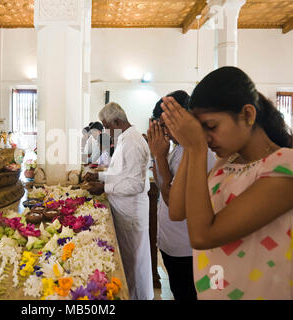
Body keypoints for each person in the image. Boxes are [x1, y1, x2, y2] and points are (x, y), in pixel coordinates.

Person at [162, 66, 293, 300]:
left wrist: (196, 147)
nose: (206, 138)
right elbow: (177, 210)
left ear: (248, 115)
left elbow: (203, 236)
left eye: (211, 127)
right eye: (200, 130)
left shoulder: (284, 167)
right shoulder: (227, 162)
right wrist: (190, 146)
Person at [147, 90, 216, 300]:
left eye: (166, 125)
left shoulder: (200, 153)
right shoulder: (178, 149)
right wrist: (158, 156)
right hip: (172, 244)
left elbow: (173, 202)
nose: (164, 132)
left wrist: (159, 155)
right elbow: (162, 185)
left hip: (188, 248)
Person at [84, 102, 153, 300]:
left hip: (131, 213)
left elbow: (135, 185)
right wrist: (99, 177)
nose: (105, 130)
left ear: (116, 121)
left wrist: (104, 187)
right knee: (130, 262)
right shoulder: (125, 138)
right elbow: (120, 174)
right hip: (124, 210)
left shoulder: (132, 141)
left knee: (134, 264)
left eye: (106, 126)